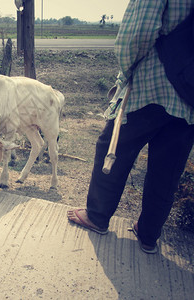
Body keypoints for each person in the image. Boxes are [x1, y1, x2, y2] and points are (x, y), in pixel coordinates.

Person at [67, 0, 194, 254]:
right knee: (168, 168)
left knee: (113, 146)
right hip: (190, 93)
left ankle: (97, 216)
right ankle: (148, 235)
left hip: (153, 83)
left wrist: (125, 71)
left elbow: (139, 31)